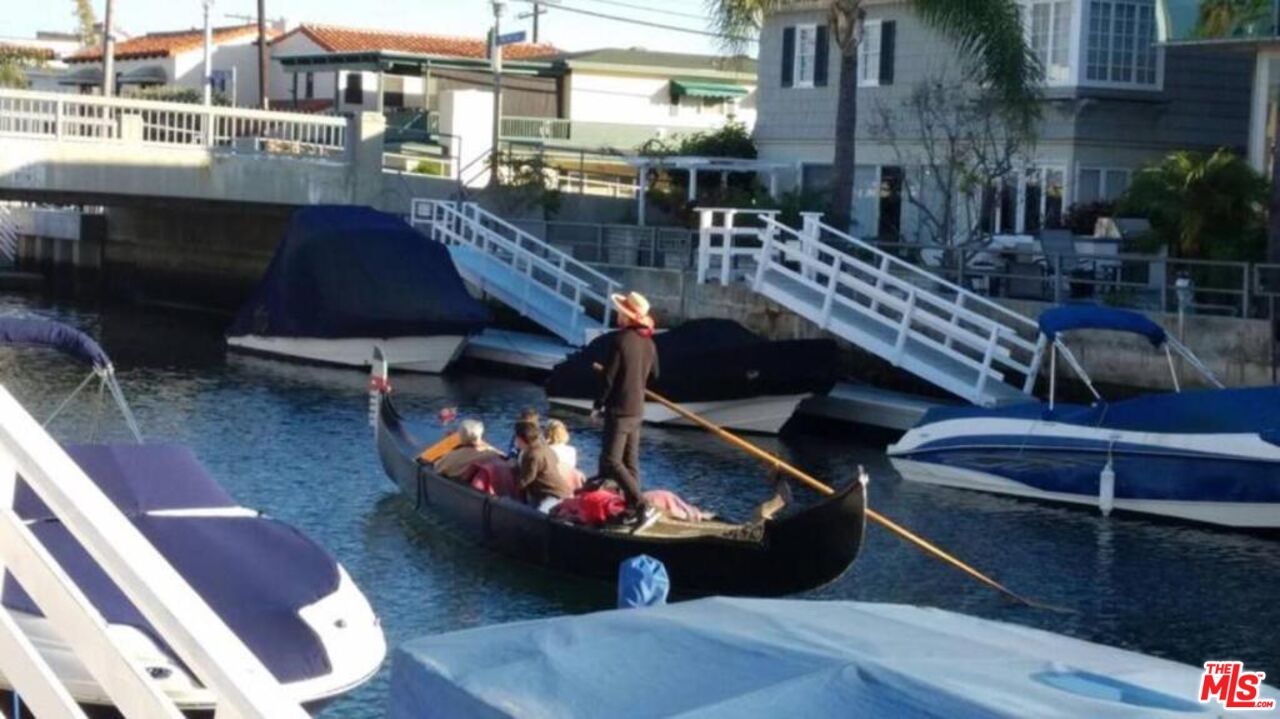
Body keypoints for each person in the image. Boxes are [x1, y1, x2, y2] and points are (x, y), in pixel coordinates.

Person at [594, 291, 660, 527]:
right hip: (637, 408)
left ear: (628, 317)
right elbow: (654, 375)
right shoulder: (649, 343)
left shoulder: (620, 340)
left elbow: (609, 380)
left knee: (612, 460)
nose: (617, 316)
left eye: (620, 313)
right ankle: (633, 507)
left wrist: (597, 405)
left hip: (619, 409)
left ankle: (641, 504)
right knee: (631, 461)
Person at [513, 419, 574, 513]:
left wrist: (510, 490)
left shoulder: (531, 454)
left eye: (516, 437)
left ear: (520, 439)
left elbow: (526, 479)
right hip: (562, 491)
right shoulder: (545, 448)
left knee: (539, 516)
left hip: (554, 495)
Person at [433, 419, 501, 480]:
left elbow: (437, 467)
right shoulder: (492, 454)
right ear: (480, 435)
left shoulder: (452, 457)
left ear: (460, 436)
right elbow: (504, 457)